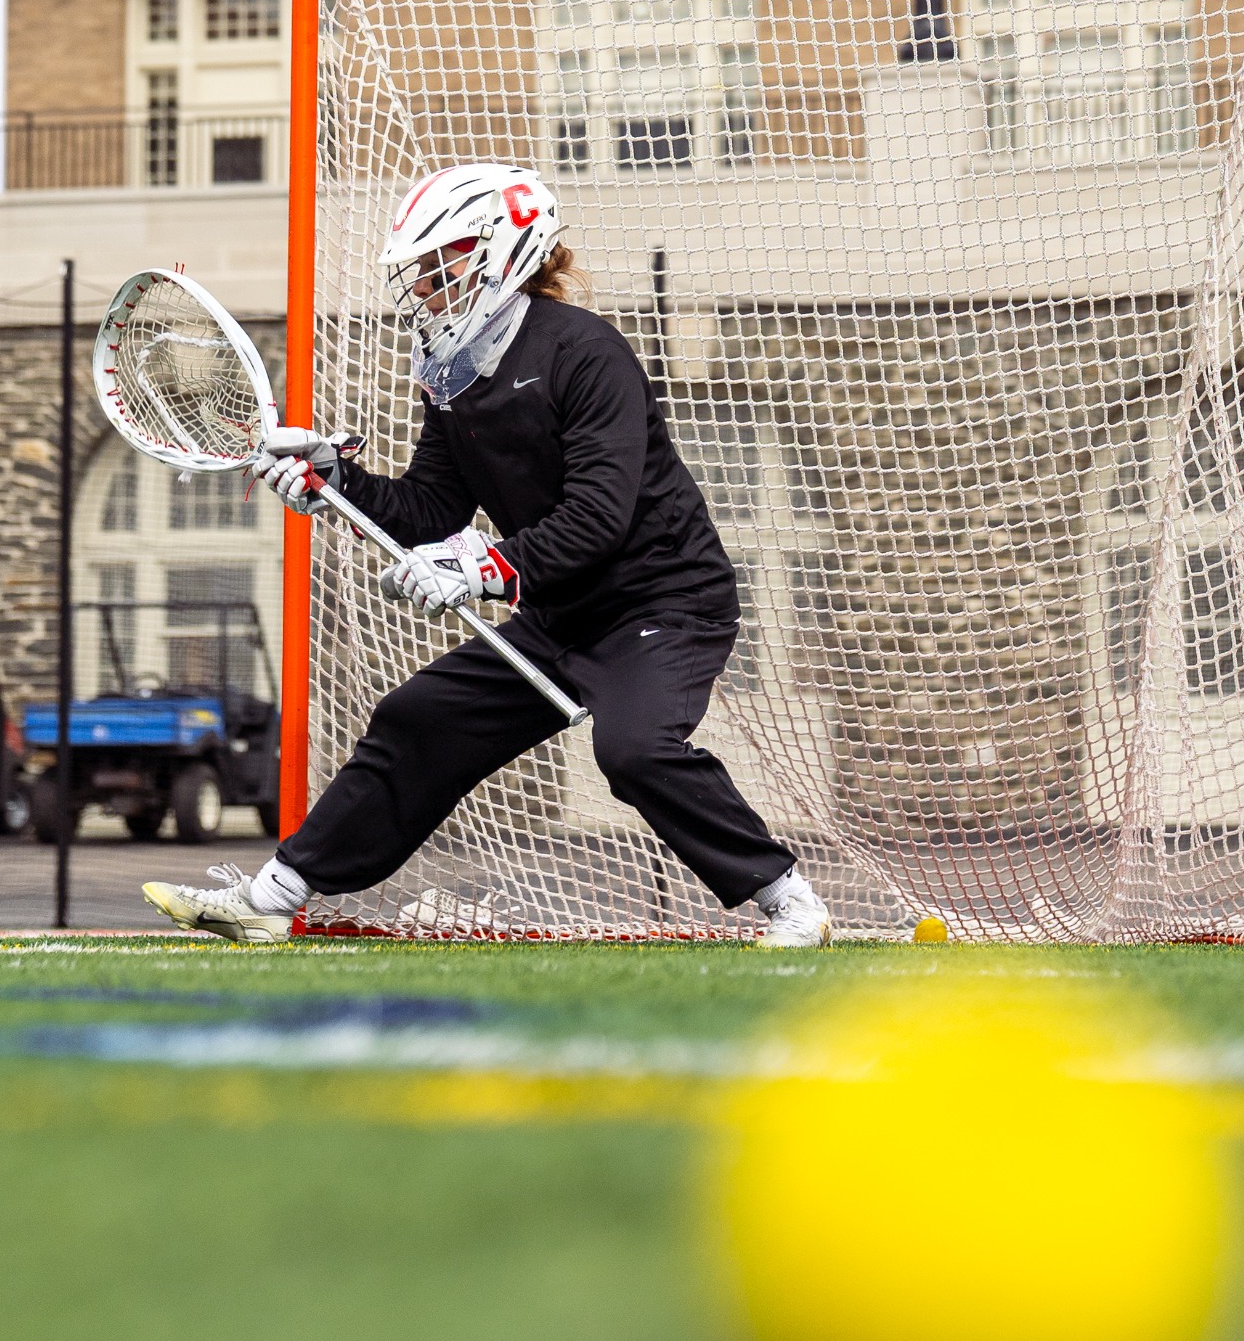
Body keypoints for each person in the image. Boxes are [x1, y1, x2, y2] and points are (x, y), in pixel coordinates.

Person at [142, 164, 833, 948]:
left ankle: (788, 901)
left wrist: (486, 567)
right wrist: (336, 481)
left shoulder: (586, 352)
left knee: (633, 751)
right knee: (419, 716)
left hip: (662, 602)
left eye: (445, 261)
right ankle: (273, 897)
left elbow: (599, 516)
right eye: (421, 268)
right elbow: (429, 509)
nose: (426, 284)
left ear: (503, 252)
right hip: (559, 610)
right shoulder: (452, 375)